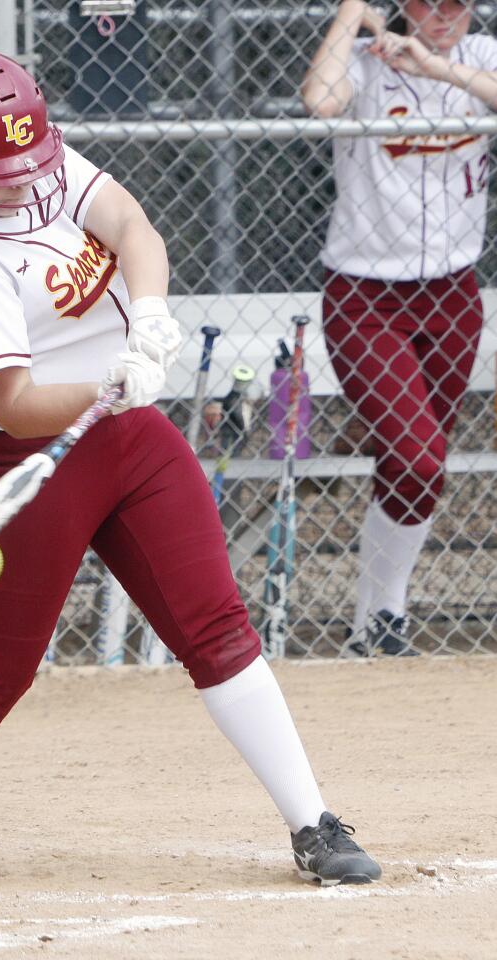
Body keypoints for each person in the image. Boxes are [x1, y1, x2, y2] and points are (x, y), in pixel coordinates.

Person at [0, 48, 379, 890]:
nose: (25, 181)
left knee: (215, 632)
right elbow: (18, 399)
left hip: (132, 439)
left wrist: (150, 318)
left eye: (30, 160)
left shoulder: (42, 161)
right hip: (26, 454)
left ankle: (312, 823)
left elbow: (132, 227)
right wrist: (109, 380)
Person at [301, 1, 497, 656]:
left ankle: (374, 623)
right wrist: (350, 16)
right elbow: (321, 102)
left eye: (455, 4)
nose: (441, 15)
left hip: (452, 294)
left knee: (414, 464)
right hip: (365, 296)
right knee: (417, 455)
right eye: (424, 3)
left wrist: (439, 70)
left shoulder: (481, 57)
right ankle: (381, 611)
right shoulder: (362, 65)